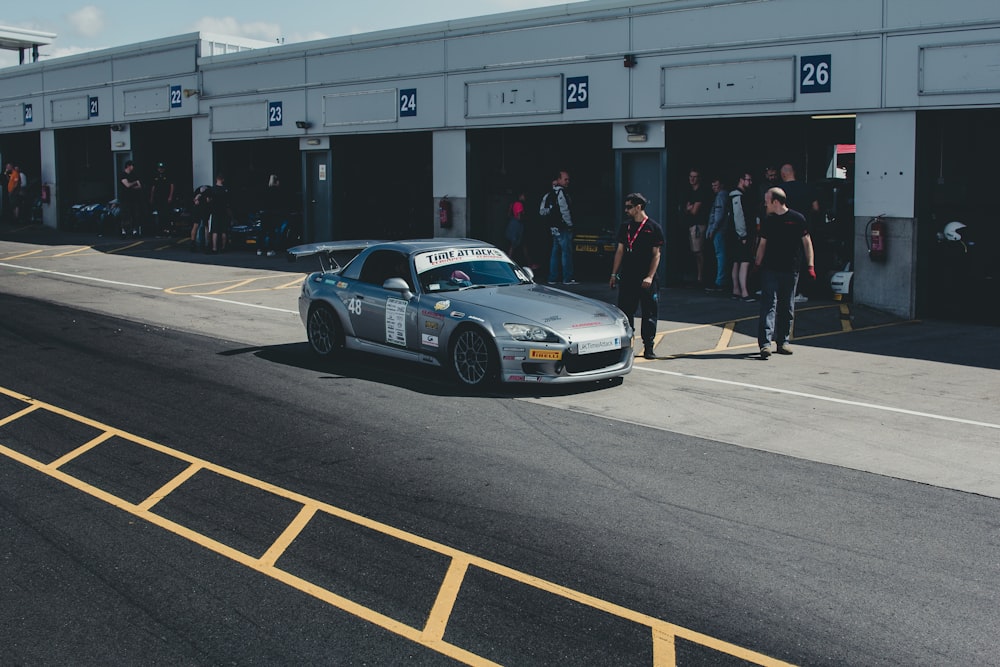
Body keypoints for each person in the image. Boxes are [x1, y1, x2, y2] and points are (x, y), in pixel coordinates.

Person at [754, 187, 815, 359]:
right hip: (770, 269)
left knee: (787, 306)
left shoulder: (797, 219)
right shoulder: (768, 220)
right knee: (768, 305)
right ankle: (765, 344)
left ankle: (783, 342)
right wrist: (757, 264)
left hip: (790, 269)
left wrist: (810, 266)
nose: (765, 203)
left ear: (775, 202)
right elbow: (762, 244)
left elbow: (807, 242)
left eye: (767, 200)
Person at [610, 192, 664, 360]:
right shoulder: (625, 227)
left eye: (629, 207)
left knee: (649, 313)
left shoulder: (654, 228)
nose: (626, 210)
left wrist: (649, 276)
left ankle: (649, 347)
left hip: (646, 279)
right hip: (628, 277)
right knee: (626, 314)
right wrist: (614, 274)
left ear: (639, 207)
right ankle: (627, 347)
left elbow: (657, 255)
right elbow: (619, 251)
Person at [779, 163, 820, 303]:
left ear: (783, 174)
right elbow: (816, 207)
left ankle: (787, 291)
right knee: (804, 259)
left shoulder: (781, 190)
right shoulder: (807, 188)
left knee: (786, 260)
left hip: (785, 229)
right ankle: (802, 291)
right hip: (805, 227)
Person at [539, 169, 576, 284]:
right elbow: (564, 210)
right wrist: (569, 224)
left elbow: (541, 211)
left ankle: (553, 278)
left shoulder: (548, 195)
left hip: (553, 228)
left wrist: (551, 212)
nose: (567, 181)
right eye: (565, 179)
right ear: (558, 180)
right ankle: (567, 278)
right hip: (562, 227)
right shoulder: (562, 193)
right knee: (566, 252)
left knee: (555, 252)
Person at [728, 171, 757, 303]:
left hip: (735, 236)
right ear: (741, 180)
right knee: (744, 262)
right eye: (748, 180)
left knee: (737, 262)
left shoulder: (736, 196)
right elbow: (738, 217)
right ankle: (744, 292)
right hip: (740, 235)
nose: (750, 183)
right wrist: (743, 234)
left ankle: (736, 290)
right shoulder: (738, 196)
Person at [680, 167, 712, 286]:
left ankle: (700, 276)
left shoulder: (701, 192)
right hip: (691, 225)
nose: (692, 179)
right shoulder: (688, 191)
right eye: (691, 176)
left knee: (698, 251)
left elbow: (693, 211)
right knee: (694, 251)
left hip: (699, 225)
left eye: (695, 177)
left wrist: (689, 208)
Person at [704, 177, 729, 292]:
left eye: (716, 185)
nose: (714, 188)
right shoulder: (723, 196)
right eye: (713, 186)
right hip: (721, 230)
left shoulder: (720, 196)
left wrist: (712, 229)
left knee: (720, 255)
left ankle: (720, 281)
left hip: (719, 230)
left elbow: (719, 215)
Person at [205, 173, 233, 254]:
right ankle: (223, 248)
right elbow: (228, 202)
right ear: (223, 180)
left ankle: (214, 248)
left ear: (216, 179)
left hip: (215, 211)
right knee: (224, 231)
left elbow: (208, 200)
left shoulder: (212, 189)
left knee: (215, 231)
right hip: (224, 211)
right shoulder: (225, 189)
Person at [256, 174, 283, 256]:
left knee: (263, 232)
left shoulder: (265, 190)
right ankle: (270, 249)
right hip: (272, 214)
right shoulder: (277, 191)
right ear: (277, 182)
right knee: (271, 232)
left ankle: (259, 249)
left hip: (263, 213)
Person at [149, 162, 175, 236]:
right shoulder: (155, 176)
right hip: (158, 198)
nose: (160, 169)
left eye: (162, 168)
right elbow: (153, 188)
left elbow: (172, 186)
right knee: (160, 214)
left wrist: (170, 196)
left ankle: (168, 229)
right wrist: (151, 197)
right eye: (159, 168)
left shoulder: (168, 175)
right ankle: (160, 230)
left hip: (166, 197)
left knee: (167, 213)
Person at [118, 161, 143, 237]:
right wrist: (134, 182)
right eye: (132, 166)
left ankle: (134, 231)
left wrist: (132, 185)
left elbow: (139, 186)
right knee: (125, 215)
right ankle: (124, 231)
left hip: (133, 198)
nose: (133, 167)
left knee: (135, 214)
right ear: (128, 166)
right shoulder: (122, 175)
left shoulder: (134, 175)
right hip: (124, 198)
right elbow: (127, 185)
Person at [505, 190, 529, 264]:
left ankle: (529, 262)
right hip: (517, 226)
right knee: (514, 245)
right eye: (524, 196)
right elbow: (519, 217)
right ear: (521, 196)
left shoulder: (513, 204)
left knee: (517, 244)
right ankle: (509, 262)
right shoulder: (519, 204)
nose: (525, 198)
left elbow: (508, 214)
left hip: (512, 224)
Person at [189, 184, 210, 252]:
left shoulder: (197, 190)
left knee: (195, 226)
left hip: (196, 209)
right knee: (207, 227)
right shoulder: (209, 190)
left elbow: (195, 201)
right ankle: (208, 244)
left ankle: (192, 243)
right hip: (205, 209)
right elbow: (208, 200)